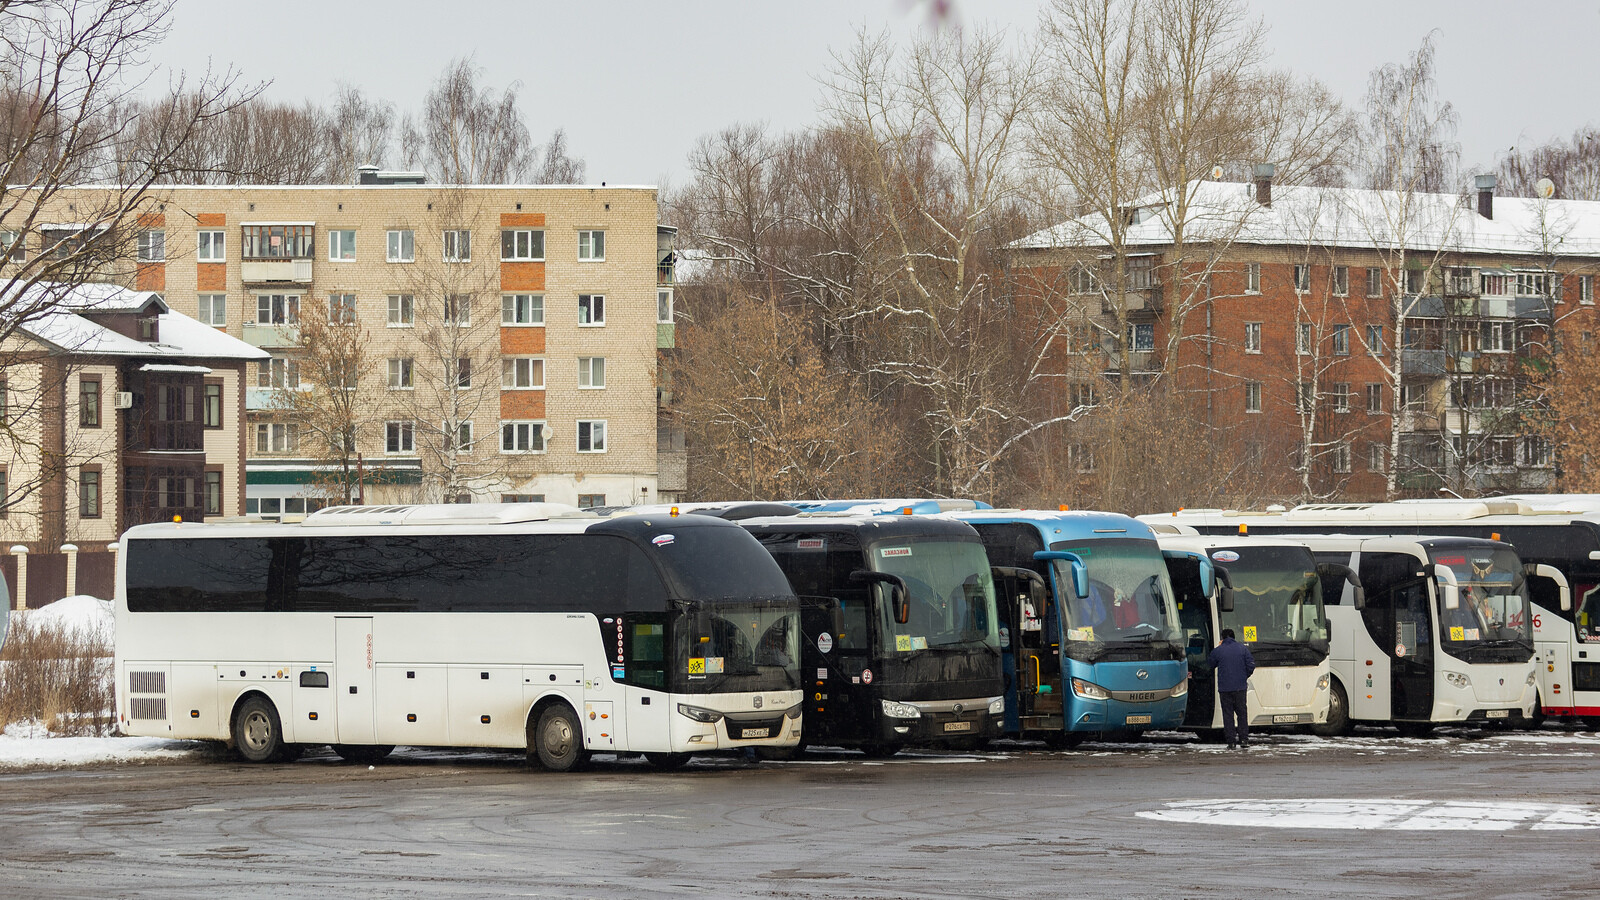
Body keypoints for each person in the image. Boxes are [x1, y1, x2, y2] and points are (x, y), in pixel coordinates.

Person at [1208, 628, 1257, 750]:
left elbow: (1210, 664)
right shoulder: (1242, 649)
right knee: (1242, 714)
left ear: (1222, 638)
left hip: (1225, 689)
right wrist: (1244, 676)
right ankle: (1244, 739)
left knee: (1228, 715)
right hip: (1240, 688)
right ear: (1234, 637)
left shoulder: (1218, 650)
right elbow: (1251, 665)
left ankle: (1231, 741)